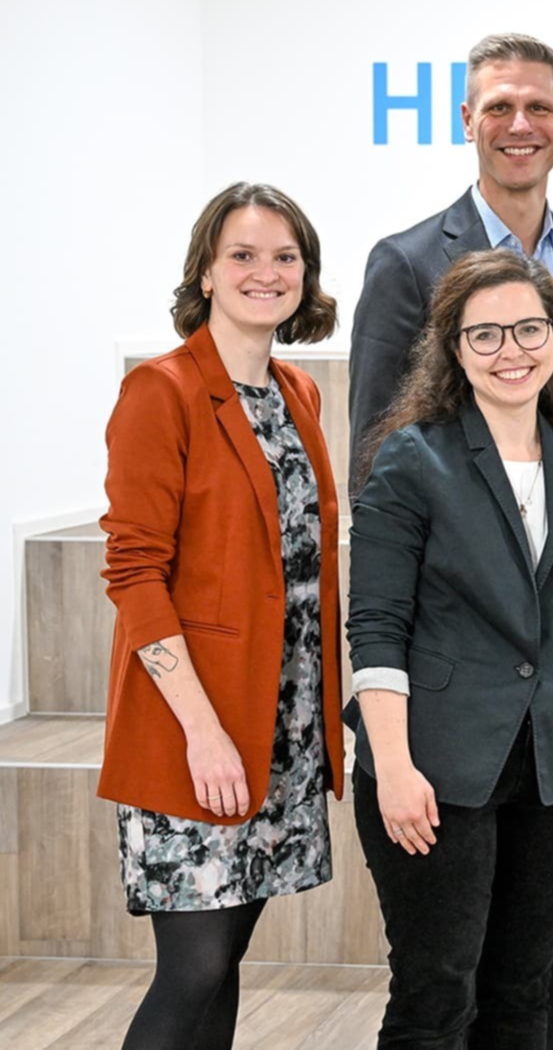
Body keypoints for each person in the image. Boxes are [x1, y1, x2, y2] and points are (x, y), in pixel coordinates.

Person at [347, 32, 553, 1047]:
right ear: (466, 121)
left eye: (540, 108)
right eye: (498, 108)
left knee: (539, 981)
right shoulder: (402, 264)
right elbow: (378, 459)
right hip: (445, 700)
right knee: (441, 989)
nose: (521, 126)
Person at [99, 182, 344, 1049]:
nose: (265, 272)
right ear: (206, 271)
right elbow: (134, 573)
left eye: (285, 256)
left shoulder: (295, 396)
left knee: (226, 961)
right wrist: (203, 732)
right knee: (193, 969)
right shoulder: (159, 392)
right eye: (242, 254)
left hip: (282, 727)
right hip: (195, 727)